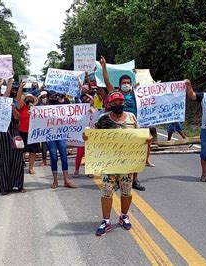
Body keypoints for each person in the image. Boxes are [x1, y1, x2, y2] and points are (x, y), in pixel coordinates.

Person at [84, 92, 151, 236]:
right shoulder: (103, 120)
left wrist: (147, 139)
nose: (117, 105)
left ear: (123, 103)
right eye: (114, 103)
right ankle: (106, 221)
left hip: (127, 163)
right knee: (107, 192)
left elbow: (140, 135)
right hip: (109, 163)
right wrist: (87, 135)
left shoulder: (131, 118)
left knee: (126, 191)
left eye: (120, 102)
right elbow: (93, 136)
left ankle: (124, 216)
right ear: (110, 104)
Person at [97, 56, 146, 191]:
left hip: (132, 127)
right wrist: (104, 67)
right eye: (124, 82)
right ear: (120, 84)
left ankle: (134, 180)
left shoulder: (137, 94)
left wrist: (139, 75)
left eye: (128, 82)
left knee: (134, 155)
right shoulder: (115, 93)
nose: (126, 84)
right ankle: (115, 180)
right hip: (116, 129)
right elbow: (106, 81)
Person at [0, 78, 26, 195]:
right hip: (2, 135)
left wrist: (13, 109)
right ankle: (4, 187)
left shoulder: (15, 104)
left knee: (17, 160)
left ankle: (18, 185)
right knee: (3, 161)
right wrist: (8, 81)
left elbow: (18, 118)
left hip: (14, 133)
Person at [47, 91, 76, 189]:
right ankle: (55, 180)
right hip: (50, 134)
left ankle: (66, 180)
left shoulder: (65, 100)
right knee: (53, 157)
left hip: (61, 133)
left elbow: (72, 111)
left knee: (64, 156)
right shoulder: (48, 103)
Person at [16, 82, 41, 175]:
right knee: (21, 150)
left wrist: (34, 111)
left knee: (32, 151)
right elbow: (18, 98)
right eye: (27, 99)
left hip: (33, 132)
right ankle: (21, 164)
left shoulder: (37, 109)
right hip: (22, 132)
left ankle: (31, 167)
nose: (29, 100)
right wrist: (21, 87)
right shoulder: (22, 107)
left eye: (31, 99)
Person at [74, 93, 96, 177]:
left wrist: (93, 112)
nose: (85, 99)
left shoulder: (95, 109)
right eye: (83, 98)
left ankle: (90, 170)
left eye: (87, 98)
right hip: (81, 135)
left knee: (90, 153)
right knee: (79, 153)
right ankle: (76, 170)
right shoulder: (78, 110)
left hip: (91, 135)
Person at [38, 91, 49, 167]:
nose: (44, 98)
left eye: (45, 96)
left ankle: (53, 159)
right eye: (42, 97)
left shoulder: (53, 105)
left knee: (52, 145)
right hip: (43, 128)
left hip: (52, 128)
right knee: (44, 146)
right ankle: (44, 160)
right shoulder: (39, 106)